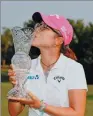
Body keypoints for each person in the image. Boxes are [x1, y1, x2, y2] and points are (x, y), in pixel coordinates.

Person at [8, 12, 87, 116]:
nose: (36, 29)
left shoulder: (74, 68)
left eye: (44, 27)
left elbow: (77, 113)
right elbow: (14, 112)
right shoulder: (27, 66)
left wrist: (41, 106)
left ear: (58, 40)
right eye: (38, 25)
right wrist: (17, 86)